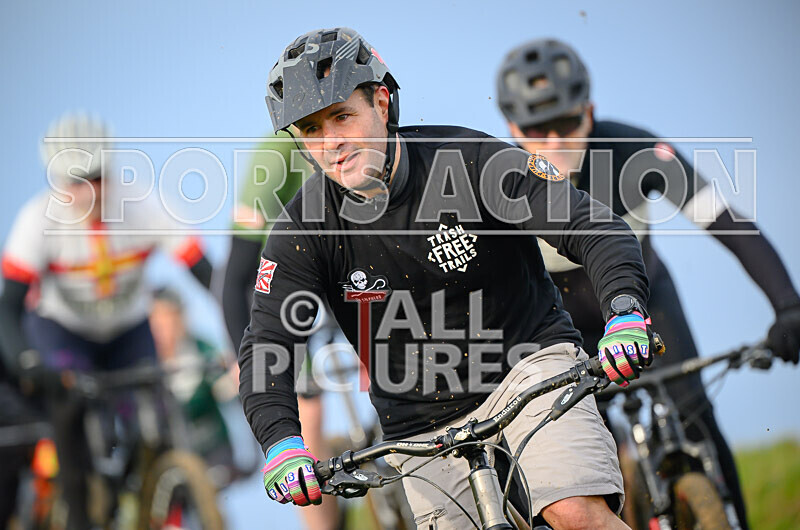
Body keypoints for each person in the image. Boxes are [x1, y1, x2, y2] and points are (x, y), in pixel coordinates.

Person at [238, 27, 659, 529]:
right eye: (311, 131)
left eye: (342, 116)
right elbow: (267, 340)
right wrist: (282, 441)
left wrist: (624, 311)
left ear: (382, 102)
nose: (332, 143)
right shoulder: (304, 227)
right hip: (417, 423)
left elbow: (591, 226)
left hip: (530, 367)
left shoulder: (467, 158)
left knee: (573, 511)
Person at [494, 38, 800, 528]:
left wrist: (787, 304)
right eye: (535, 129)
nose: (553, 143)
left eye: (567, 124)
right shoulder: (500, 178)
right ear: (512, 127)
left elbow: (727, 223)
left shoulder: (635, 149)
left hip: (648, 304)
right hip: (560, 328)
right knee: (584, 464)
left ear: (589, 112)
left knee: (698, 421)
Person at [0, 113, 215, 529]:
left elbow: (206, 273)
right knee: (68, 407)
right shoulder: (37, 220)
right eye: (76, 183)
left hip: (127, 329)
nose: (90, 192)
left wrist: (245, 327)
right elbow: (7, 306)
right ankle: (81, 514)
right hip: (64, 331)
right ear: (58, 183)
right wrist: (28, 361)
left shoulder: (143, 205)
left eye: (98, 177)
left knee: (157, 405)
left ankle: (172, 495)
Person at [222, 134, 343, 529]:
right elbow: (234, 279)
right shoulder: (275, 160)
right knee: (309, 408)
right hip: (286, 291)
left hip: (345, 279)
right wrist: (249, 365)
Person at [149, 287, 235, 482]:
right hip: (166, 452)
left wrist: (230, 381)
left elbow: (225, 385)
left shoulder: (201, 350)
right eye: (157, 321)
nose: (164, 328)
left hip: (211, 447)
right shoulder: (142, 361)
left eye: (169, 318)